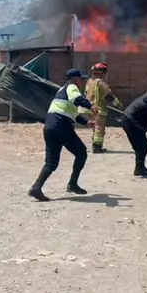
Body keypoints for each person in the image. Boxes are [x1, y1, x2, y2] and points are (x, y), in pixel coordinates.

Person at [28, 69, 94, 202]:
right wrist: (90, 106)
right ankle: (73, 184)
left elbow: (73, 113)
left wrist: (86, 122)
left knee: (51, 163)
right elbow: (77, 99)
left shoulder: (62, 91)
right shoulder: (72, 87)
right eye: (81, 79)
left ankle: (36, 187)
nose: (82, 82)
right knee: (81, 153)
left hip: (50, 128)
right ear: (75, 79)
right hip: (61, 127)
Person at [85, 62, 122, 153]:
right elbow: (109, 96)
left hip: (89, 109)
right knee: (99, 129)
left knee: (94, 128)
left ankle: (95, 145)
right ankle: (97, 147)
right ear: (103, 72)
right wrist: (119, 106)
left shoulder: (89, 82)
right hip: (99, 110)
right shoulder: (101, 83)